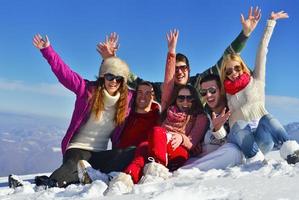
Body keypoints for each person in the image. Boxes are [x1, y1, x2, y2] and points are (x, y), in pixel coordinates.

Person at [9, 34, 136, 189]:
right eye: (110, 76)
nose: (114, 81)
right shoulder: (87, 90)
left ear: (123, 81)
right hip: (77, 149)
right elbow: (65, 74)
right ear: (103, 76)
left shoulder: (127, 99)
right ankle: (37, 185)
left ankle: (90, 175)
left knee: (131, 152)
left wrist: (111, 57)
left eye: (119, 78)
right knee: (72, 166)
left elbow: (149, 91)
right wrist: (47, 51)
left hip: (99, 154)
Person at [104, 30, 209, 195]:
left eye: (189, 99)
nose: (185, 101)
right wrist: (112, 59)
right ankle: (125, 179)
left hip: (177, 150)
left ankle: (156, 174)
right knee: (142, 149)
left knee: (155, 132)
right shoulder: (169, 105)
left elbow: (192, 142)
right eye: (181, 98)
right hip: (157, 144)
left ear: (195, 99)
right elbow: (165, 82)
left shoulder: (199, 116)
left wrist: (181, 137)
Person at [97, 7, 262, 103]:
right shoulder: (163, 89)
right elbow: (133, 80)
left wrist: (244, 34)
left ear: (189, 70)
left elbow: (226, 58)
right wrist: (111, 60)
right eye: (175, 69)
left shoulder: (199, 83)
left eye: (183, 68)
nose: (179, 72)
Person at [220, 11, 299, 165]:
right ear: (224, 73)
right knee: (240, 124)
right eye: (228, 71)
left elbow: (262, 50)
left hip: (262, 139)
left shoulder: (256, 80)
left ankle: (293, 154)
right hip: (241, 141)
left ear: (242, 67)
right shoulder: (226, 91)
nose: (233, 73)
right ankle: (254, 160)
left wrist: (271, 22)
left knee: (268, 118)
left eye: (236, 68)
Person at [77, 81, 161, 184]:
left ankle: (104, 177)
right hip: (116, 154)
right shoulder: (126, 114)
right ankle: (86, 175)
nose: (143, 96)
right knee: (88, 157)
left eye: (148, 93)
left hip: (137, 158)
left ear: (154, 97)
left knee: (132, 150)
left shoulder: (157, 117)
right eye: (140, 92)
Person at [182, 74, 243, 170]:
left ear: (221, 90)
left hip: (226, 157)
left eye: (212, 90)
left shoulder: (234, 111)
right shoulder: (202, 115)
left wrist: (218, 129)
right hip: (200, 159)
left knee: (233, 151)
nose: (208, 95)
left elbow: (235, 141)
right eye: (203, 92)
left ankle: (187, 171)